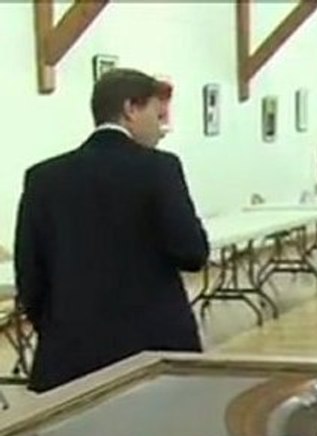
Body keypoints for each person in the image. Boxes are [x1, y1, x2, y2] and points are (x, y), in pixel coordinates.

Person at [14, 68, 209, 394]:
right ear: (131, 109)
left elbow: (30, 271)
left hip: (70, 352)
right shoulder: (159, 168)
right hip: (153, 347)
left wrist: (55, 325)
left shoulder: (43, 177)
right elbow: (192, 253)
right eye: (156, 114)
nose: (161, 127)